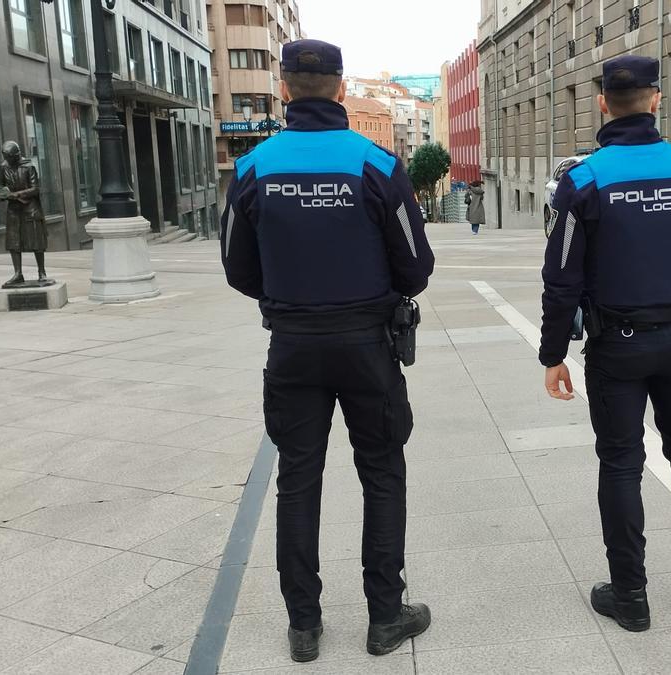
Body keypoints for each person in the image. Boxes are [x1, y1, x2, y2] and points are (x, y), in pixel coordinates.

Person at [221, 39, 435, 662]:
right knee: (382, 471)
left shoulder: (252, 169)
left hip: (292, 344)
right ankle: (385, 617)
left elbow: (238, 269)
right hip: (368, 343)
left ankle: (305, 626)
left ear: (284, 88)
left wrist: (290, 299)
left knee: (298, 480)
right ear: (341, 90)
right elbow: (415, 264)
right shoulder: (376, 165)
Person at [538, 54, 671, 632]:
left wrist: (552, 353)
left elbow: (561, 279)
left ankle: (630, 596)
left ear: (603, 104)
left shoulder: (581, 180)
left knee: (621, 465)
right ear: (656, 100)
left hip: (615, 348)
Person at [0, 141, 49, 288]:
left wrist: (17, 194)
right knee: (14, 242)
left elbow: (35, 189)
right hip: (13, 210)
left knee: (36, 242)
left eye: (8, 157)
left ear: (16, 155)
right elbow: (0, 186)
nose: (6, 160)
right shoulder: (3, 167)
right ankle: (18, 273)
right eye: (4, 156)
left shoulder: (28, 166)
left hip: (30, 209)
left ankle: (42, 272)